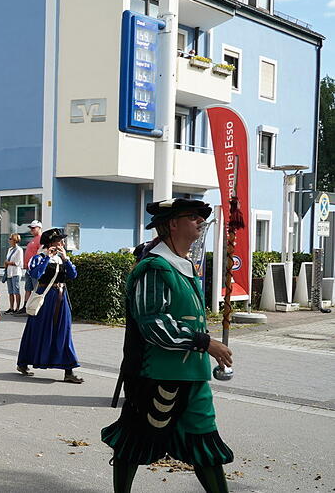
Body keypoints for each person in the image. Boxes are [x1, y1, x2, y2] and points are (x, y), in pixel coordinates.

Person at [102, 199, 233, 493]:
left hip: (194, 377)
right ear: (172, 223)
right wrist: (205, 342)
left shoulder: (183, 264)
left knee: (205, 443)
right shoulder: (154, 268)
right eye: (193, 216)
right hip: (155, 376)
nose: (200, 221)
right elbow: (153, 325)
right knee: (134, 440)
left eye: (201, 217)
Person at [16, 228, 83, 383]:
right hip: (45, 299)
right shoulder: (38, 257)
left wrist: (66, 259)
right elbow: (35, 275)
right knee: (36, 330)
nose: (63, 243)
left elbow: (73, 275)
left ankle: (69, 370)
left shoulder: (62, 258)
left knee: (64, 331)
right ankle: (23, 362)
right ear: (51, 243)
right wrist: (47, 257)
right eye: (60, 241)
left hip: (61, 297)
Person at [19, 220, 43, 315]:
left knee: (36, 289)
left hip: (34, 269)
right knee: (27, 288)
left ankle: (35, 307)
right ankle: (26, 306)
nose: (31, 230)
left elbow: (40, 255)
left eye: (33, 228)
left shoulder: (41, 239)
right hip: (28, 269)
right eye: (31, 228)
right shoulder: (34, 239)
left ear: (39, 228)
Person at [2, 233, 24, 314]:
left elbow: (18, 262)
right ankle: (11, 307)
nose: (9, 240)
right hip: (9, 272)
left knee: (16, 291)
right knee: (10, 292)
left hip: (16, 273)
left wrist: (8, 263)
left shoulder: (19, 250)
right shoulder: (10, 250)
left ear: (15, 240)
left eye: (10, 238)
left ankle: (17, 308)